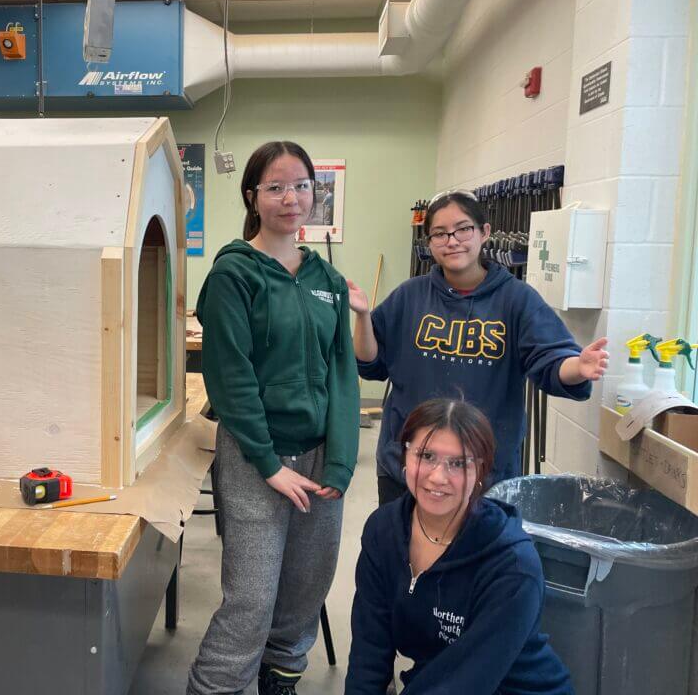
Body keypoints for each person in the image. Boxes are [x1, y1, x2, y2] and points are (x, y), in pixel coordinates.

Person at [186, 141, 360, 695]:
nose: (292, 198)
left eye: (303, 186)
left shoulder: (327, 281)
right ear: (252, 197)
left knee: (306, 588)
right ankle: (216, 687)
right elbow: (229, 377)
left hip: (316, 457)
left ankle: (281, 675)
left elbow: (342, 375)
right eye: (277, 187)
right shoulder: (235, 275)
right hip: (254, 454)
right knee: (252, 598)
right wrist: (267, 463)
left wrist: (339, 463)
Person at [348, 190, 608, 505]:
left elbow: (550, 361)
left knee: (475, 554)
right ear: (429, 243)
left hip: (485, 473)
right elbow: (371, 362)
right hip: (408, 470)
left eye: (463, 229)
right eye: (440, 234)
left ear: (484, 232)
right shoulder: (410, 296)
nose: (452, 240)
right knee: (404, 552)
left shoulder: (516, 299)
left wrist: (577, 367)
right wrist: (362, 316)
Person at [345, 399, 575, 695]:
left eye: (458, 463)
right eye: (426, 455)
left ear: (480, 471)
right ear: (405, 456)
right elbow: (369, 650)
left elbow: (466, 683)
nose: (438, 476)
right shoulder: (383, 531)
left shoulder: (512, 566)